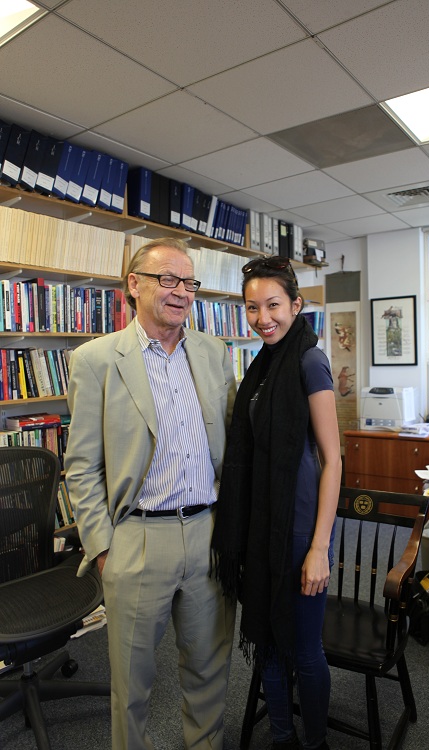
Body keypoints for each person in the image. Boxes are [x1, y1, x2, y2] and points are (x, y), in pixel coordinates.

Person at [64, 238, 237, 750]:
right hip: (137, 538)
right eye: (167, 279)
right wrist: (103, 550)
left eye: (189, 282)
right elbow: (81, 464)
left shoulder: (213, 353)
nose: (180, 292)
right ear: (133, 286)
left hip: (207, 534)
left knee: (210, 675)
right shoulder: (96, 360)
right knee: (133, 688)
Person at [211, 256, 342, 750]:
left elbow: (333, 461)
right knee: (265, 640)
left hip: (298, 530)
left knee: (305, 651)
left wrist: (319, 548)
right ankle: (283, 738)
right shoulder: (262, 365)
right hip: (260, 529)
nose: (263, 318)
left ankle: (315, 743)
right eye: (251, 307)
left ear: (296, 305)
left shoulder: (310, 360)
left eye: (273, 305)